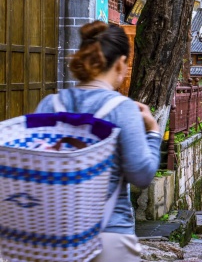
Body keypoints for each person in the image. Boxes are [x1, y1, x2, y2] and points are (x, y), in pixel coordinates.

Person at [34, 21, 161, 262]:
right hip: (109, 236)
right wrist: (153, 131)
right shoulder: (122, 109)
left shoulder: (50, 105)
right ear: (121, 63)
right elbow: (141, 174)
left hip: (53, 237)